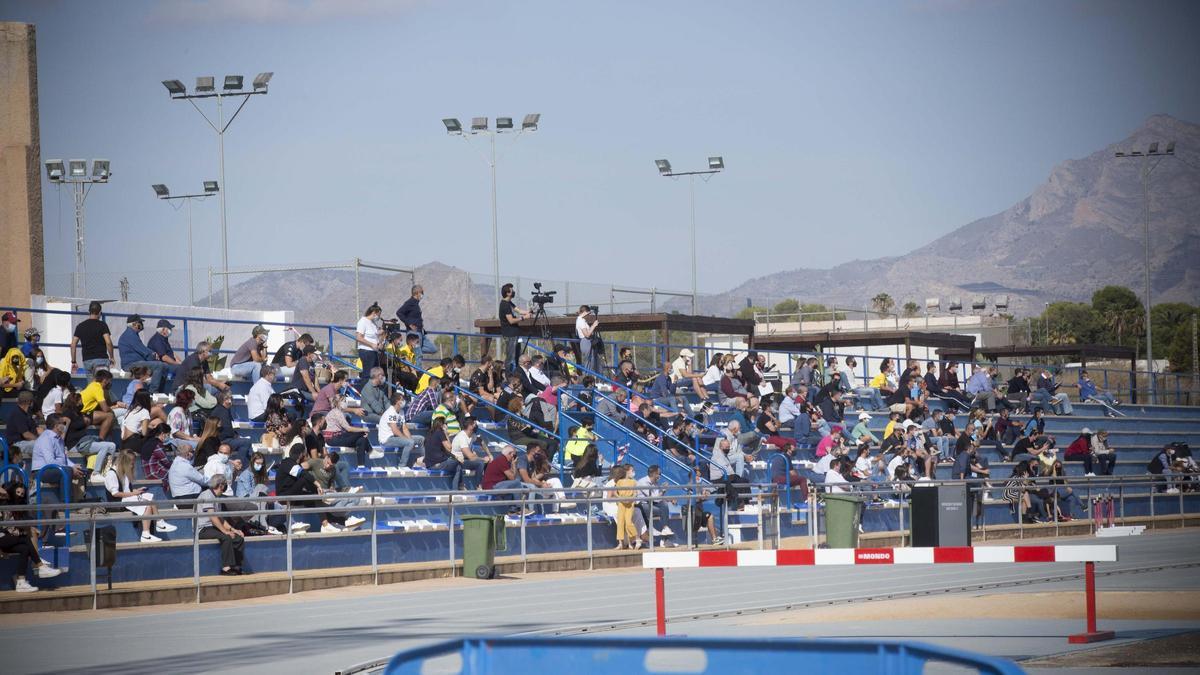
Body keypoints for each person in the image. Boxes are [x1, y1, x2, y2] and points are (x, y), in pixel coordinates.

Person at [0, 480, 62, 592]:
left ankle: (20, 581)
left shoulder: (18, 508)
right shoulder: (4, 504)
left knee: (25, 548)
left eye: (21, 494)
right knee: (25, 538)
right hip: (2, 538)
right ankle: (39, 565)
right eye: (17, 492)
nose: (19, 496)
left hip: (6, 539)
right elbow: (6, 528)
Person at [104, 450, 176, 542]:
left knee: (150, 497)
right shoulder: (111, 474)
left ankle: (158, 523)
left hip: (125, 498)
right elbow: (115, 493)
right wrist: (133, 494)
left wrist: (136, 491)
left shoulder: (123, 473)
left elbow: (126, 490)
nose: (132, 466)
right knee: (146, 504)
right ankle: (147, 533)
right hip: (117, 503)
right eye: (131, 464)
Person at [196, 475, 247, 575]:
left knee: (238, 538)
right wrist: (225, 531)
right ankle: (226, 568)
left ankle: (236, 566)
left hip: (213, 527)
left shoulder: (216, 497)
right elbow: (212, 516)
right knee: (226, 537)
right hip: (203, 529)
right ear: (221, 485)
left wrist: (233, 529)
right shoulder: (207, 495)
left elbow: (221, 519)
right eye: (225, 484)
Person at [116, 314, 168, 393]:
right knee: (159, 365)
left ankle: (159, 390)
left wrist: (152, 355)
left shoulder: (133, 334)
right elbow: (143, 351)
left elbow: (142, 349)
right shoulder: (130, 335)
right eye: (140, 322)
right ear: (134, 324)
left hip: (136, 362)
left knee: (164, 366)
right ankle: (153, 392)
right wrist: (153, 355)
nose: (141, 324)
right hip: (131, 364)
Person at [323, 393, 373, 468]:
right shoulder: (337, 412)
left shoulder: (339, 412)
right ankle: (371, 451)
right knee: (362, 434)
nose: (345, 403)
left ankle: (361, 466)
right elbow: (348, 429)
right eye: (343, 401)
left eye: (345, 401)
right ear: (338, 403)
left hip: (338, 437)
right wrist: (363, 429)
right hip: (333, 439)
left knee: (361, 440)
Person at [379, 391, 424, 468]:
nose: (404, 401)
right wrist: (409, 441)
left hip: (396, 438)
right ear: (397, 401)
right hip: (387, 439)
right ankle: (402, 466)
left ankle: (421, 461)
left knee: (421, 439)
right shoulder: (391, 412)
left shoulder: (401, 412)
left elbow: (404, 428)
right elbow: (395, 430)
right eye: (402, 399)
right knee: (409, 442)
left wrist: (409, 438)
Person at [70, 301, 113, 374]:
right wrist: (111, 357)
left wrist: (74, 361)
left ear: (89, 312)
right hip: (101, 359)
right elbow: (108, 342)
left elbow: (73, 345)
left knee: (91, 384)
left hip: (87, 360)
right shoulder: (102, 325)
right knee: (102, 383)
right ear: (99, 312)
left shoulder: (80, 326)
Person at [210, 391, 253, 463]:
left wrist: (236, 435)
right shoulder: (222, 411)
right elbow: (226, 430)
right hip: (222, 440)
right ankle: (239, 464)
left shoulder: (224, 409)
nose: (230, 401)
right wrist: (235, 436)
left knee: (246, 449)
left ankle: (247, 464)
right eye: (226, 399)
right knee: (246, 442)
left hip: (224, 438)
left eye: (230, 399)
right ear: (221, 400)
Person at [423, 417, 463, 490]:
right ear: (442, 425)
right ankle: (457, 489)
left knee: (457, 464)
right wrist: (446, 434)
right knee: (458, 464)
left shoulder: (429, 433)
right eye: (446, 424)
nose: (447, 425)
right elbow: (449, 448)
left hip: (429, 464)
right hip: (436, 465)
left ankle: (457, 489)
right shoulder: (440, 432)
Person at [396, 284, 437, 355]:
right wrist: (409, 324)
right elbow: (399, 312)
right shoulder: (410, 302)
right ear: (417, 293)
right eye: (422, 292)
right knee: (418, 356)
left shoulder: (416, 304)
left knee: (433, 349)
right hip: (414, 333)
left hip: (420, 332)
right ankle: (411, 350)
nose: (422, 294)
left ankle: (413, 349)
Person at [450, 417, 489, 489]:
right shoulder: (462, 437)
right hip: (458, 461)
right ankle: (478, 486)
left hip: (465, 460)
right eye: (474, 423)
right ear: (470, 426)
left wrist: (490, 455)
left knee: (488, 462)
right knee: (480, 463)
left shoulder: (472, 435)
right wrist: (483, 459)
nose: (476, 425)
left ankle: (487, 484)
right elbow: (471, 457)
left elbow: (482, 442)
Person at [498, 283, 530, 370]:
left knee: (517, 356)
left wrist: (528, 312)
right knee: (510, 357)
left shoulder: (509, 303)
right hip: (510, 335)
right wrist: (524, 318)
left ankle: (518, 373)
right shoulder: (504, 305)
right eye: (512, 290)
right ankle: (508, 376)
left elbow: (519, 310)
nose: (514, 292)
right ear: (508, 293)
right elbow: (511, 320)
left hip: (515, 334)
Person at [5, 390, 40, 459]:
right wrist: (41, 440)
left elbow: (37, 428)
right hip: (16, 444)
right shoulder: (17, 413)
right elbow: (26, 435)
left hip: (26, 441)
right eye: (32, 401)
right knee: (40, 444)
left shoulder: (27, 412)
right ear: (28, 402)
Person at [613, 465, 640, 550]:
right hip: (621, 504)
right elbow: (615, 492)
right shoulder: (619, 482)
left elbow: (636, 493)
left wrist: (630, 499)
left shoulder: (633, 482)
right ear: (627, 471)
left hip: (630, 503)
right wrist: (620, 498)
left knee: (628, 522)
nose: (633, 472)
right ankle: (620, 543)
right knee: (620, 522)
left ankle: (636, 538)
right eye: (632, 470)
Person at [574, 305, 600, 371]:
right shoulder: (580, 321)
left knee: (592, 361)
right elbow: (587, 334)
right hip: (585, 342)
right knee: (589, 362)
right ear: (585, 312)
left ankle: (591, 376)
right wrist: (594, 325)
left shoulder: (582, 320)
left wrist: (593, 326)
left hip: (587, 341)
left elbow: (588, 332)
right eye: (588, 314)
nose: (588, 316)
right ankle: (588, 376)